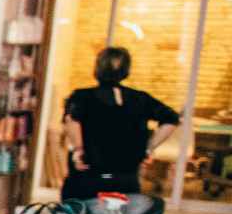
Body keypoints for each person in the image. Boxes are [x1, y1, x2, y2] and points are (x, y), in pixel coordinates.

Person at [62, 46, 179, 200]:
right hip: (126, 180)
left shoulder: (82, 97)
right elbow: (171, 119)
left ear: (98, 67)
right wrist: (148, 148)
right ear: (126, 70)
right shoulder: (141, 99)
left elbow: (72, 120)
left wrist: (79, 150)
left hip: (89, 177)